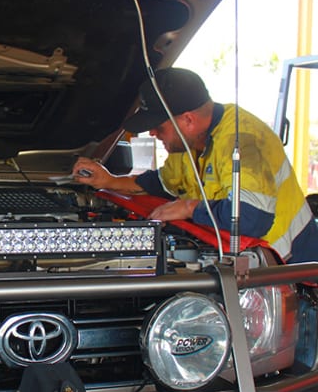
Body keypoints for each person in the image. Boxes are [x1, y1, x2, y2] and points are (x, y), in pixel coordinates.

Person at [72, 67, 318, 264]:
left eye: (159, 125)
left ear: (188, 120)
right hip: (243, 264)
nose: (153, 132)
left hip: (289, 270)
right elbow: (158, 184)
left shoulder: (243, 140)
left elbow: (253, 218)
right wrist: (107, 181)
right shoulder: (186, 144)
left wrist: (189, 207)